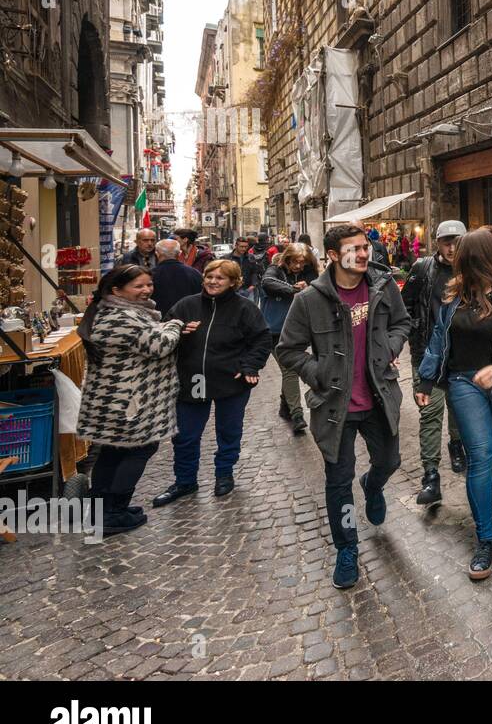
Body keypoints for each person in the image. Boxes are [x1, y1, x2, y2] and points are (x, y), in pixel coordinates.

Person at [276, 224, 411, 591]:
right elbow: (287, 350)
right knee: (338, 481)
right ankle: (347, 548)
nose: (364, 254)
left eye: (365, 248)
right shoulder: (309, 300)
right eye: (354, 249)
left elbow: (402, 323)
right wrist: (317, 373)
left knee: (389, 462)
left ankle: (374, 485)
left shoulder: (382, 288)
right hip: (335, 405)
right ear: (334, 255)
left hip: (379, 398)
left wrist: (391, 347)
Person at [415, 229, 492, 581]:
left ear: (478, 256)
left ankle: (479, 492)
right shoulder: (454, 294)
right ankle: (484, 539)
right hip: (463, 383)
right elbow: (437, 338)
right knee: (480, 456)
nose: (454, 257)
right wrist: (426, 378)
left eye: (461, 253)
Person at [76, 265, 196, 535]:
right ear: (116, 290)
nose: (146, 290)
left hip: (115, 397)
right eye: (138, 286)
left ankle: (102, 509)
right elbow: (158, 345)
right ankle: (113, 512)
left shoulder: (110, 310)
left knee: (112, 450)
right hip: (129, 400)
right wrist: (175, 324)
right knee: (139, 449)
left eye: (149, 284)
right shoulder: (123, 316)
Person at [152, 260, 272, 506]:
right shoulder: (186, 305)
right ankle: (185, 481)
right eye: (210, 276)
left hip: (230, 381)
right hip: (193, 379)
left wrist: (249, 366)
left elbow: (261, 340)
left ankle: (224, 474)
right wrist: (180, 331)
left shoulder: (245, 308)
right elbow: (162, 333)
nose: (213, 281)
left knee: (228, 432)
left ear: (233, 282)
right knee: (185, 435)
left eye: (220, 278)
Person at [401, 220, 467, 507]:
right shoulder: (422, 269)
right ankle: (430, 476)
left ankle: (456, 444)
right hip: (427, 355)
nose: (451, 247)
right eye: (446, 241)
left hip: (462, 356)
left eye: (457, 241)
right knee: (430, 413)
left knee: (459, 407)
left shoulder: (472, 269)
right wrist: (412, 339)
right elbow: (404, 307)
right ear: (437, 242)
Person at [261, 242, 321, 435]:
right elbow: (268, 282)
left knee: (290, 371)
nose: (298, 266)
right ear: (286, 259)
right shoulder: (275, 269)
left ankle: (285, 405)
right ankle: (297, 414)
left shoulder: (308, 271)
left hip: (297, 332)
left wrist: (308, 286)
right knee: (290, 372)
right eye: (295, 262)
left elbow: (318, 287)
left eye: (302, 262)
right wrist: (294, 289)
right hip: (275, 332)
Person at [150, 238, 203, 317]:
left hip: (159, 321)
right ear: (179, 254)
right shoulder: (195, 273)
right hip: (188, 321)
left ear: (157, 254)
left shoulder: (149, 275)